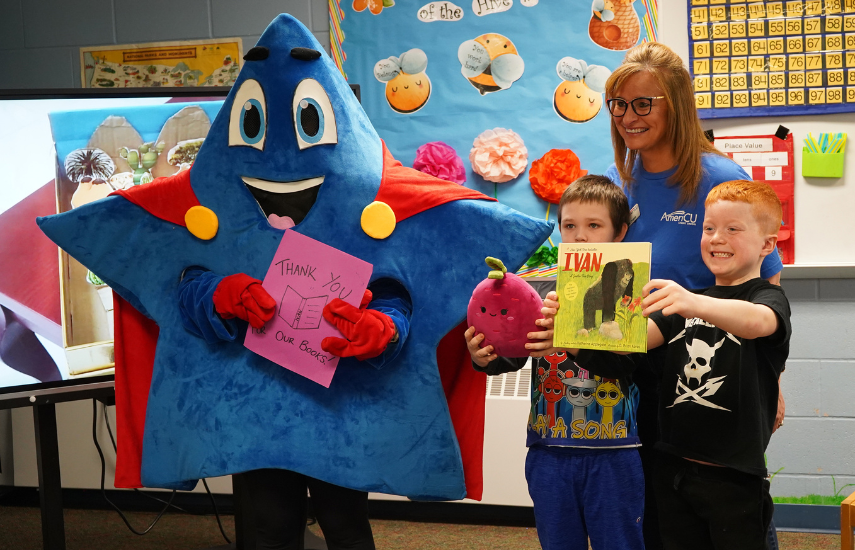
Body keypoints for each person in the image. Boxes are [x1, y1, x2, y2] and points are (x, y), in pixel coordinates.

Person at [601, 42, 785, 549]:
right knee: (664, 513)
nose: (628, 117)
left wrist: (770, 378)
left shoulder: (720, 178)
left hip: (711, 368)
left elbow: (763, 286)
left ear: (675, 104)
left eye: (643, 103)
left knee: (732, 511)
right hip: (641, 365)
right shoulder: (621, 181)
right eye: (618, 104)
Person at [537, 179, 789, 550]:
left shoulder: (765, 297)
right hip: (673, 467)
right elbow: (624, 348)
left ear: (768, 244)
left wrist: (692, 303)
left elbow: (758, 322)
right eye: (708, 228)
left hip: (734, 475)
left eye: (733, 229)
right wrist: (566, 337)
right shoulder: (685, 303)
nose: (717, 238)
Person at [465, 175, 645, 550]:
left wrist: (569, 343)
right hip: (549, 449)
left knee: (620, 542)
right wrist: (484, 358)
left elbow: (626, 367)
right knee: (558, 541)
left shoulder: (630, 287)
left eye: (594, 226)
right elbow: (515, 354)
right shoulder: (537, 287)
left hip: (613, 451)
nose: (579, 236)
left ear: (619, 233)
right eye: (570, 226)